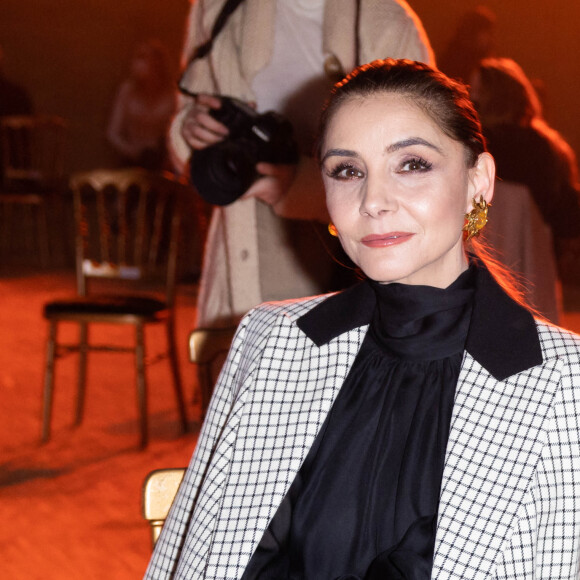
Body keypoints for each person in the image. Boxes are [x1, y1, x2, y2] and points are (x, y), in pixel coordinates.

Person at [145, 59, 580, 579]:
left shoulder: (566, 386)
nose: (373, 201)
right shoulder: (267, 339)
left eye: (412, 164)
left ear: (477, 181)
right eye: (348, 171)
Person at [171, 0, 435, 330]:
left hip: (345, 269)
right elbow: (184, 133)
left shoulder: (385, 18)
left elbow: (417, 170)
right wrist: (190, 128)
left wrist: (296, 185)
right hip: (238, 258)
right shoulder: (218, 8)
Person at [469, 57, 580, 323]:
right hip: (533, 267)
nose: (468, 96)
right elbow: (566, 215)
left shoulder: (475, 146)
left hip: (481, 258)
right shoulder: (545, 148)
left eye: (475, 90)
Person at [106, 39, 176, 171]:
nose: (136, 64)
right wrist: (132, 152)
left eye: (142, 58)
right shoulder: (126, 90)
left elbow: (177, 134)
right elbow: (112, 133)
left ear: (156, 62)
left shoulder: (172, 95)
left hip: (160, 164)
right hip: (129, 162)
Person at [438, 5, 496, 84]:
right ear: (475, 32)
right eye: (487, 32)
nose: (490, 38)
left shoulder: (485, 61)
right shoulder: (455, 60)